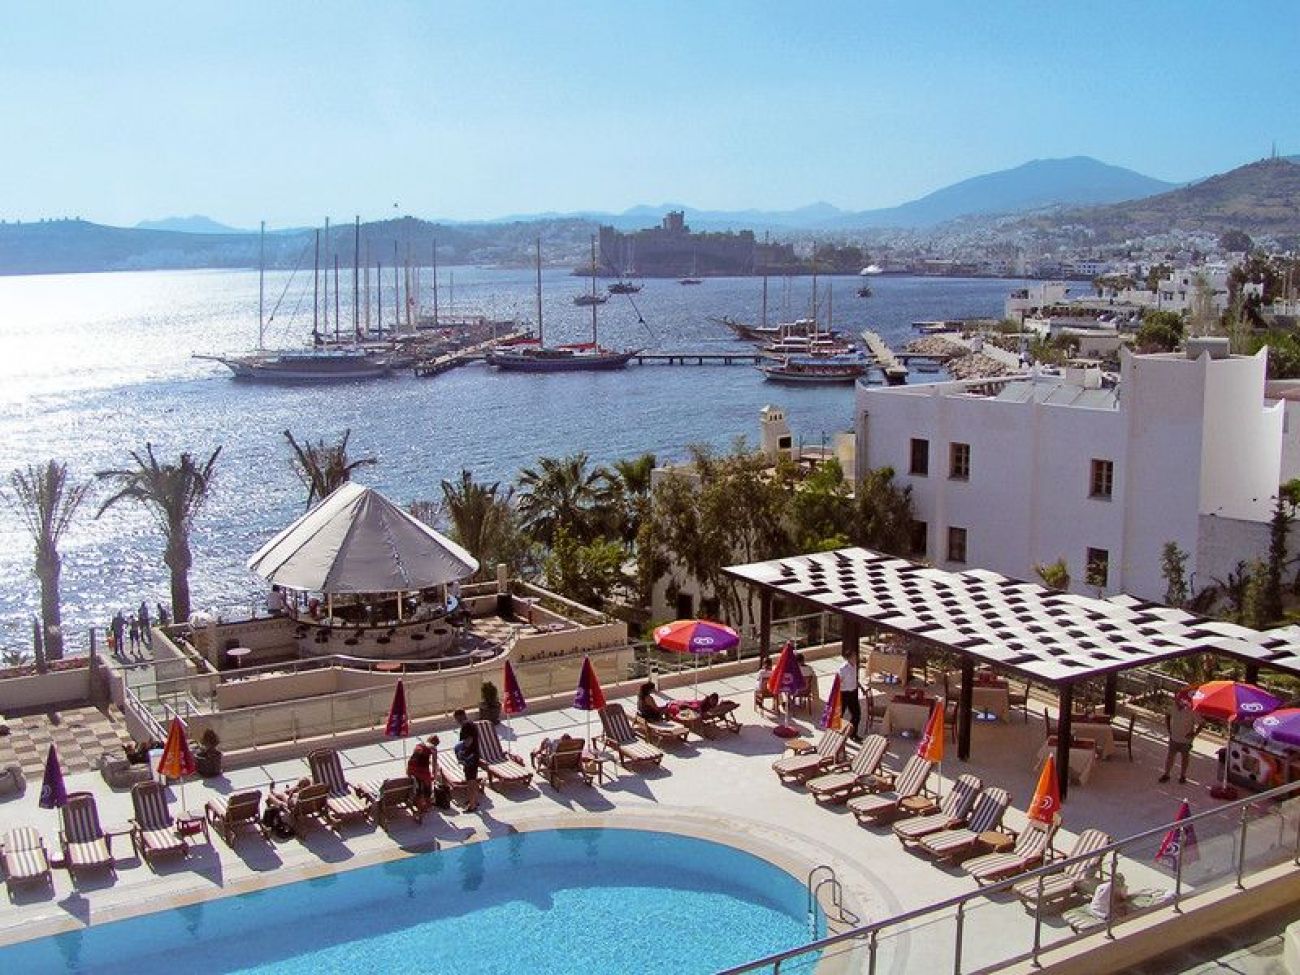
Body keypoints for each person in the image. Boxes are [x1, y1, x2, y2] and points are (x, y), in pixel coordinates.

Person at [1159, 689, 1200, 784]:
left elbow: (1202, 723)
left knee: (1185, 759)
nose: (1177, 700)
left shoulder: (1191, 710)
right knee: (1170, 757)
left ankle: (1182, 775)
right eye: (1176, 698)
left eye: (1178, 698)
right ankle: (1166, 774)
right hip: (1174, 737)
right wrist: (1169, 729)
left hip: (1185, 740)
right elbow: (1167, 715)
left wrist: (1194, 734)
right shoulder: (1173, 707)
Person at [453, 708, 481, 812]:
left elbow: (469, 740)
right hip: (475, 754)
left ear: (459, 716)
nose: (456, 721)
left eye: (456, 719)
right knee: (473, 780)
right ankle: (474, 801)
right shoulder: (471, 724)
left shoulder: (465, 726)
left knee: (470, 782)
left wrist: (462, 752)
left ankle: (472, 805)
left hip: (470, 757)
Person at [406, 735, 439, 814]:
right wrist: (434, 775)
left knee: (417, 785)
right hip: (421, 769)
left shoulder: (419, 744)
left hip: (411, 767)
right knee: (428, 784)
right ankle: (426, 804)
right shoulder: (433, 748)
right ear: (435, 743)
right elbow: (434, 763)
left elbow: (417, 757)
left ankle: (416, 801)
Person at [838, 648, 862, 740]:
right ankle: (837, 734)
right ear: (849, 658)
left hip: (853, 693)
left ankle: (853, 734)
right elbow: (838, 682)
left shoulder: (854, 665)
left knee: (856, 714)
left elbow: (854, 678)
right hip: (844, 693)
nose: (856, 658)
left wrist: (860, 687)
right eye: (854, 656)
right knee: (840, 715)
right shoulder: (843, 669)